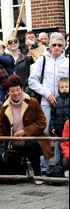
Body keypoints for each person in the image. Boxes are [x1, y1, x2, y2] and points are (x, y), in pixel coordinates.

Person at [0, 75, 53, 184]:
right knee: (14, 179)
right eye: (12, 91)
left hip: (33, 142)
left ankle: (37, 173)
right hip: (14, 145)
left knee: (32, 146)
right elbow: (0, 130)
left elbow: (42, 122)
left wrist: (25, 131)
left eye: (18, 90)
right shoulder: (4, 108)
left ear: (22, 89)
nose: (16, 93)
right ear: (8, 92)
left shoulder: (33, 102)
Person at [28, 32, 69, 175]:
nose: (56, 47)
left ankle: (59, 167)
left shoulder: (67, 62)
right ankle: (43, 168)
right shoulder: (42, 60)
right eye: (54, 45)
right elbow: (32, 81)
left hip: (63, 104)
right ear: (49, 46)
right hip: (46, 101)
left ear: (63, 47)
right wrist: (47, 94)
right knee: (44, 133)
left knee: (60, 135)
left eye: (59, 45)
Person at [49, 77, 69, 162]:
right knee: (58, 149)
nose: (64, 88)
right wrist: (52, 127)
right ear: (59, 89)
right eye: (62, 87)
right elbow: (53, 116)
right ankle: (58, 166)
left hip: (68, 130)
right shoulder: (56, 100)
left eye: (66, 87)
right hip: (59, 129)